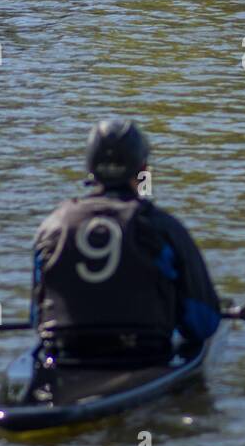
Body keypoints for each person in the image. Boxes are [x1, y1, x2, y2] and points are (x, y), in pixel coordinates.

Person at [30, 119, 220, 366]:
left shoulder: (51, 227)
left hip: (66, 353)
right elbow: (204, 323)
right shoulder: (163, 228)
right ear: (142, 171)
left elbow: (37, 320)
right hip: (144, 353)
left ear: (91, 169)